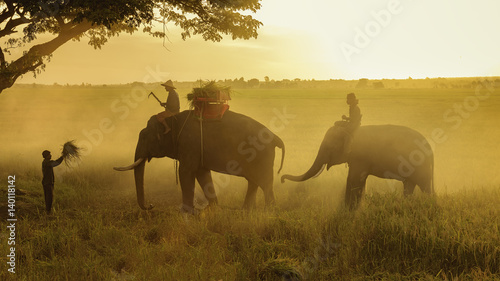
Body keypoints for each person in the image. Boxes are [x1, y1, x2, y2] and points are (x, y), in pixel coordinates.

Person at [335, 93, 362, 158]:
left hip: (354, 125)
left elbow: (354, 119)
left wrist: (346, 118)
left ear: (352, 99)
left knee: (345, 132)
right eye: (347, 99)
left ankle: (347, 151)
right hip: (351, 123)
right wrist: (346, 118)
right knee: (336, 123)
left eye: (348, 99)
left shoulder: (355, 108)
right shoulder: (352, 106)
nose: (347, 100)